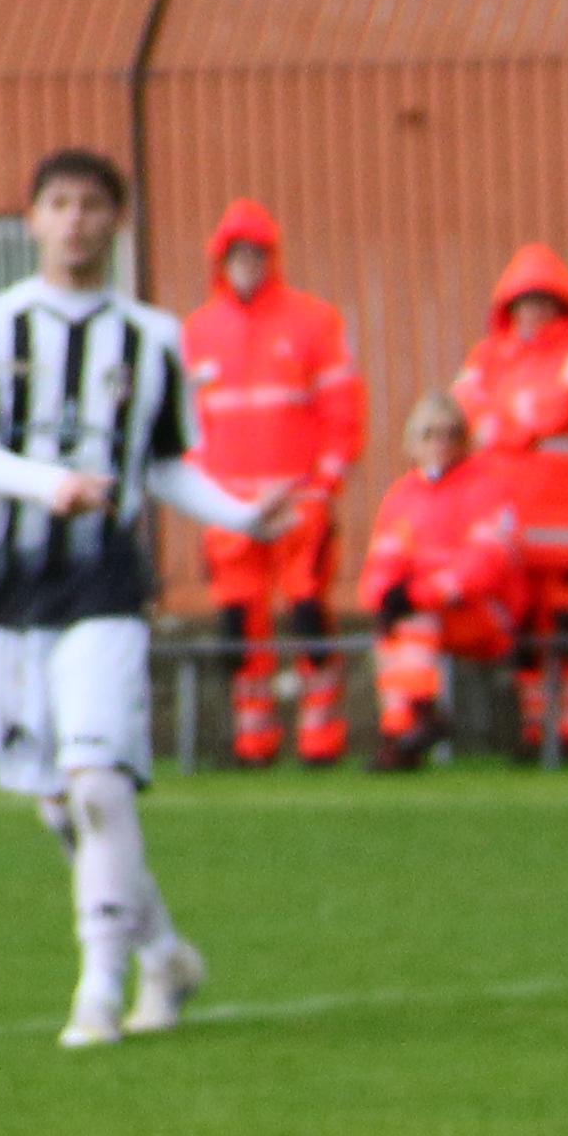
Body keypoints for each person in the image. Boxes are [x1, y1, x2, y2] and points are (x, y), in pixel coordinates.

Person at [0, 150, 309, 1048]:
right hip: (14, 589)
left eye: (93, 205)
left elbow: (165, 463)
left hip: (107, 585)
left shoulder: (152, 337)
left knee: (99, 779)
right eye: (60, 204)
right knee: (59, 804)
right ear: (31, 219)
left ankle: (98, 991)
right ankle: (164, 955)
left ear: (118, 221)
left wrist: (242, 514)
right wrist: (50, 484)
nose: (76, 220)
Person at [183, 205, 362, 769]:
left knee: (308, 613)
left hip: (296, 503)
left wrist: (324, 484)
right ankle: (253, 740)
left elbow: (343, 411)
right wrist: (203, 492)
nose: (247, 264)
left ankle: (321, 737)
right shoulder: (196, 332)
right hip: (229, 509)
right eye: (237, 255)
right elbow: (184, 426)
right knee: (239, 624)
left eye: (256, 254)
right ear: (220, 260)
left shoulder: (313, 321)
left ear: (271, 257)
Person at [452, 247, 568, 765]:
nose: (534, 313)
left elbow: (564, 404)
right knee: (523, 629)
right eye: (524, 303)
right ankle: (535, 725)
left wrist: (505, 424)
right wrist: (515, 423)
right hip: (513, 526)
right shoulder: (488, 355)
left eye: (544, 302)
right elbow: (464, 409)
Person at [356, 396, 519, 772]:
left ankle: (415, 723)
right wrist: (384, 597)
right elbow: (383, 559)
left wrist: (418, 596)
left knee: (412, 621)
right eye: (429, 434)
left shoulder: (486, 489)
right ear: (411, 443)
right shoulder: (402, 496)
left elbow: (484, 566)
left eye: (450, 434)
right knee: (394, 626)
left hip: (481, 613)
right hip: (432, 617)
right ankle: (404, 731)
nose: (440, 443)